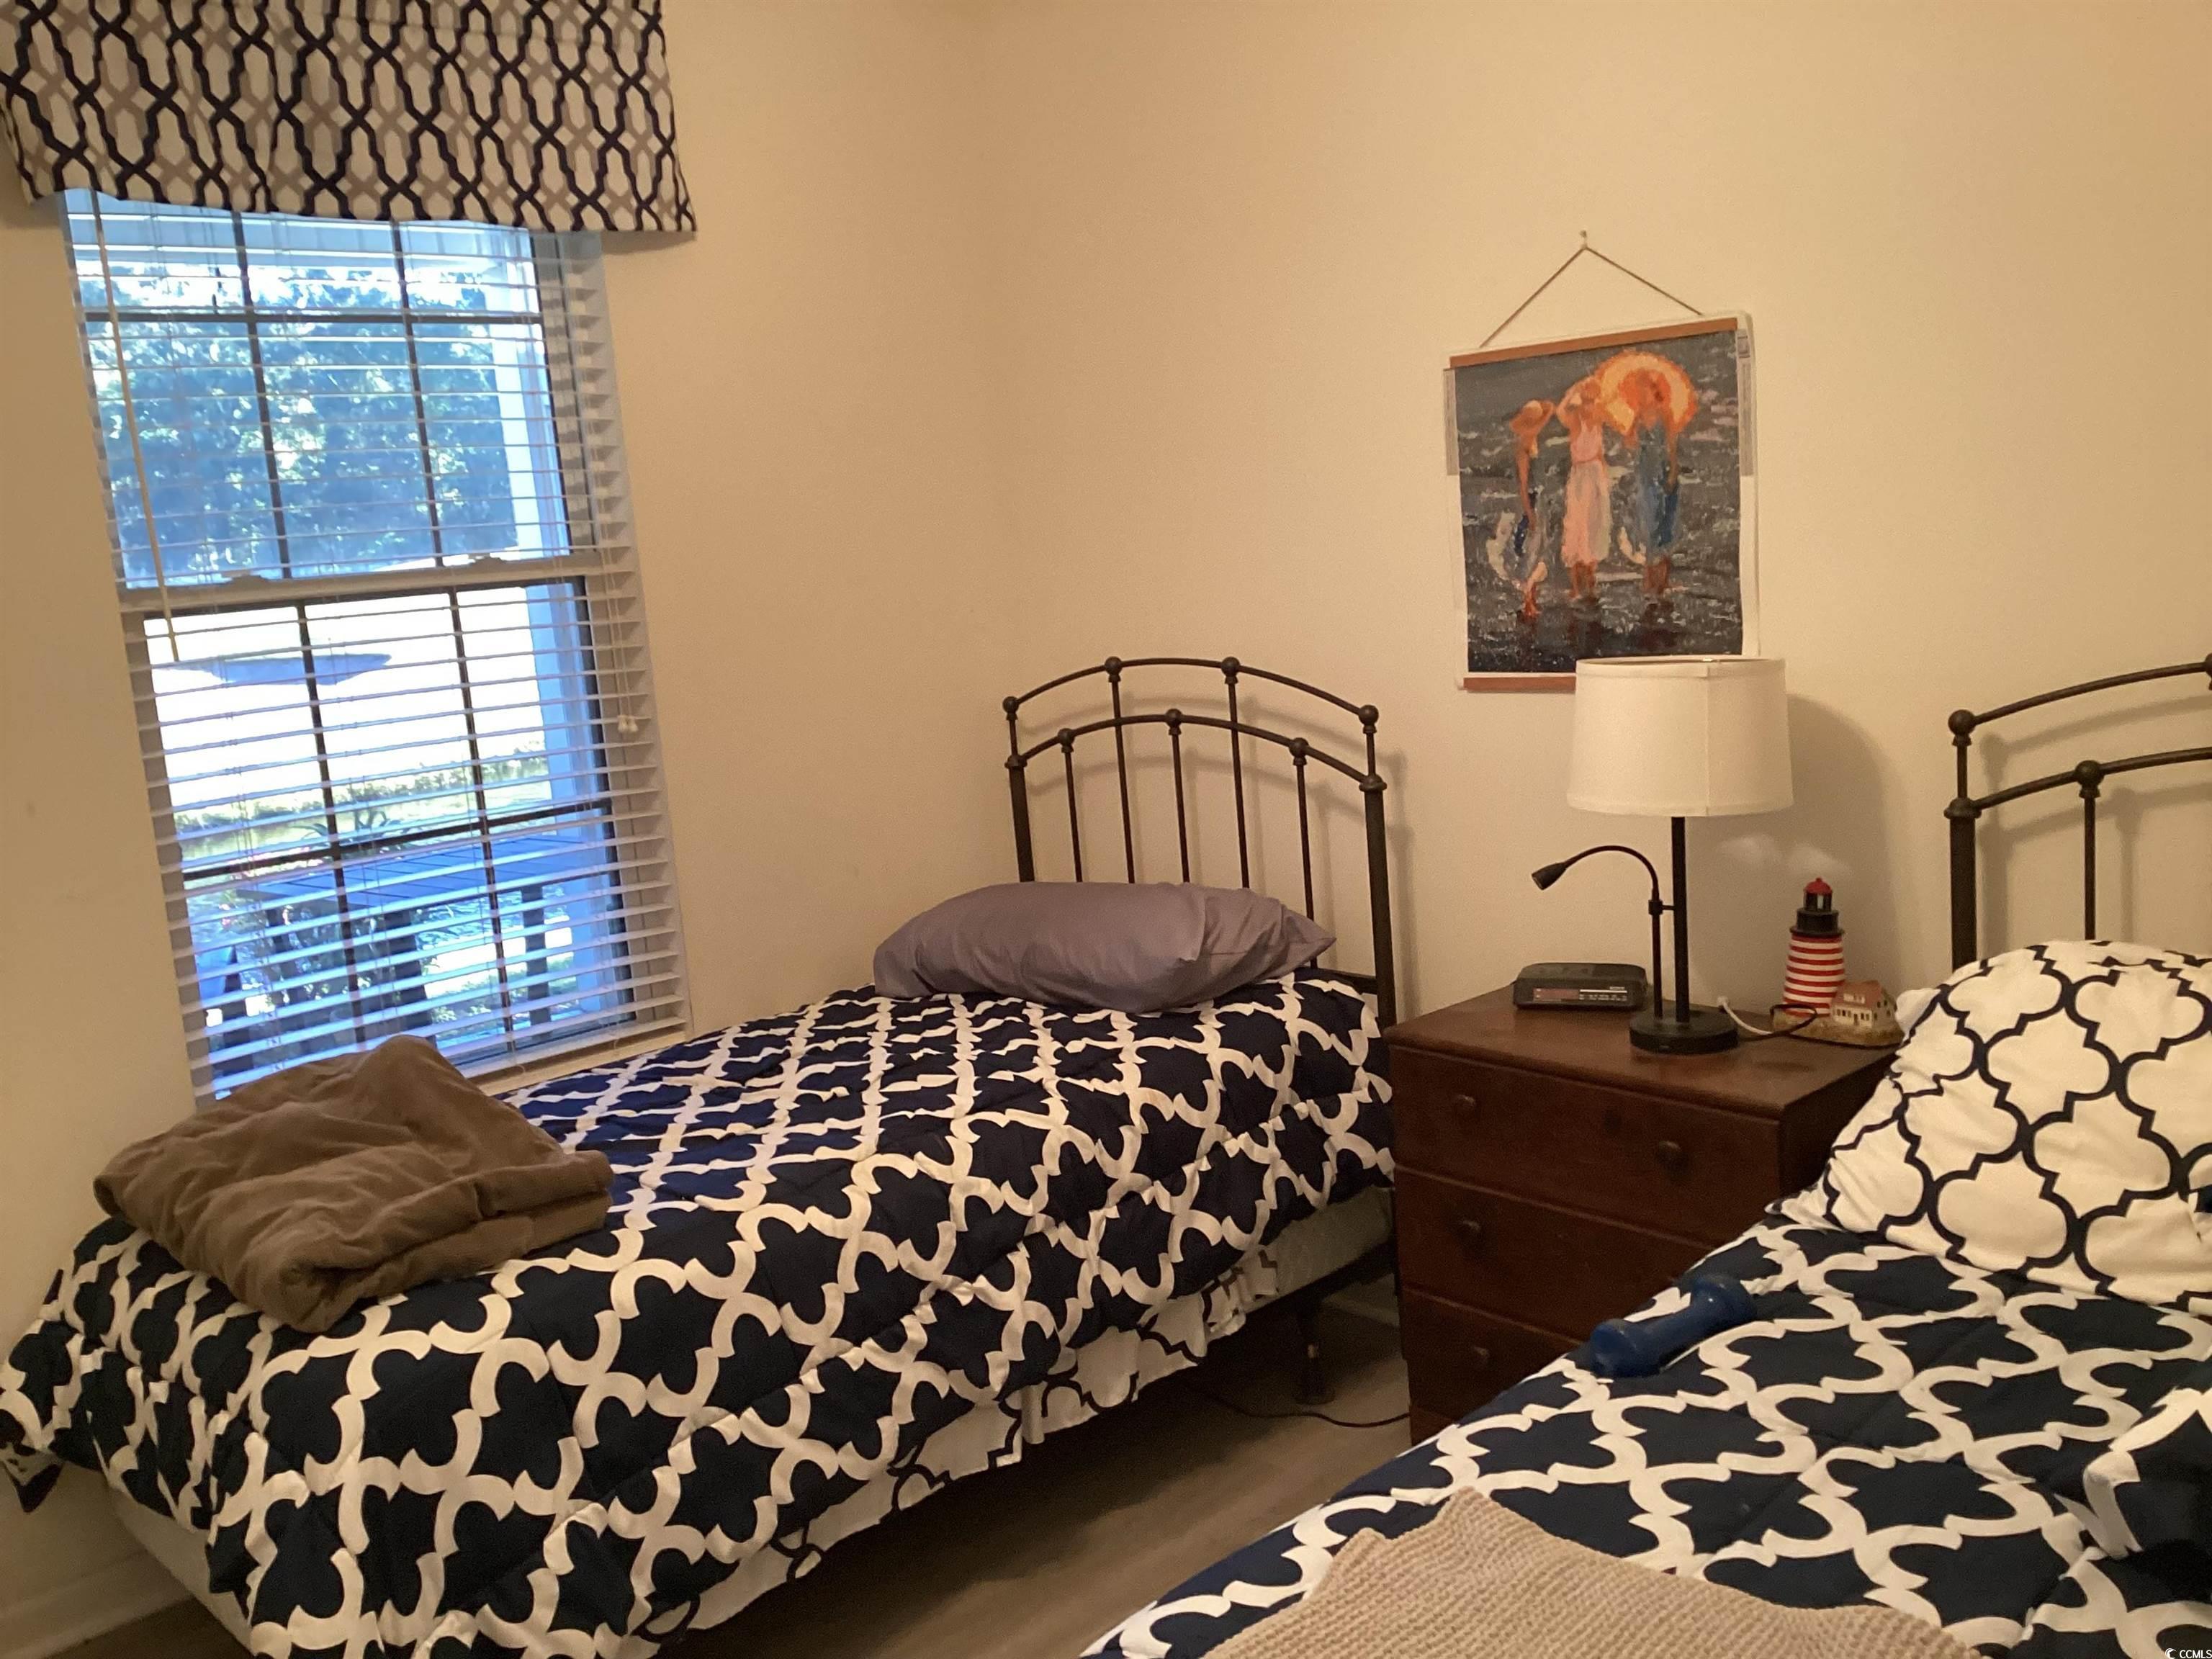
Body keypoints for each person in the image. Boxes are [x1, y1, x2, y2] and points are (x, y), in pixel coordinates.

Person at [1556, 377, 1609, 606]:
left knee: (1595, 526)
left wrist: (1605, 477)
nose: (1590, 405)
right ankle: (1577, 588)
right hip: (1581, 477)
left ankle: (1591, 583)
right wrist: (1572, 390)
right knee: (1578, 528)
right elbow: (1560, 411)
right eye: (1587, 401)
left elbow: (1600, 453)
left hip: (1595, 475)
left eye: (1592, 401)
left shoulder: (1597, 421)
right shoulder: (1575, 420)